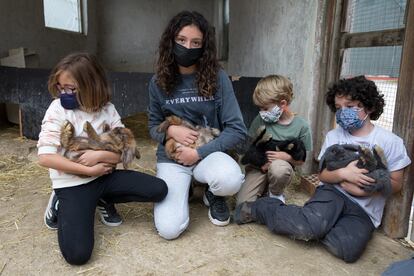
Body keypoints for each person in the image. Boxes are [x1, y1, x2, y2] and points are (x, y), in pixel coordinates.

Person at [234, 76, 411, 263]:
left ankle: (316, 226)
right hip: (333, 192)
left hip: (364, 210)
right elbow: (324, 175)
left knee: (346, 249)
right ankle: (260, 208)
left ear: (369, 106)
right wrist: (344, 175)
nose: (343, 112)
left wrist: (367, 189)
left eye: (350, 106)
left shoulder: (391, 142)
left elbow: (397, 184)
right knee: (306, 227)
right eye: (339, 108)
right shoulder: (335, 136)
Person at [38, 53, 168, 265]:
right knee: (77, 255)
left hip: (105, 176)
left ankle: (102, 200)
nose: (65, 93)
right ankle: (59, 201)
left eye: (71, 88)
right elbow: (45, 157)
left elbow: (126, 151)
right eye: (62, 88)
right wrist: (88, 170)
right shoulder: (57, 109)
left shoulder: (108, 109)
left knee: (159, 189)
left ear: (91, 84)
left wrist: (99, 156)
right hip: (73, 184)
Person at [148, 11, 247, 239]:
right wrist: (170, 130)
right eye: (181, 40)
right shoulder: (158, 81)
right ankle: (186, 187)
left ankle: (213, 192)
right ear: (170, 42)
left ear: (204, 47)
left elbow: (237, 129)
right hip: (173, 157)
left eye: (196, 43)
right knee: (169, 229)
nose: (187, 47)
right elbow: (152, 126)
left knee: (230, 179)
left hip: (207, 152)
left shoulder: (217, 77)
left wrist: (198, 153)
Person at [236, 75, 312, 204]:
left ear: (282, 104)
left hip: (281, 167)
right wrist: (261, 163)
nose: (261, 112)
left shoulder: (301, 126)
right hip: (259, 166)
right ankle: (261, 187)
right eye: (260, 108)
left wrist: (285, 157)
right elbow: (250, 147)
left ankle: (275, 193)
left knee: (278, 170)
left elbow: (301, 160)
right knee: (242, 205)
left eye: (265, 108)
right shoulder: (260, 120)